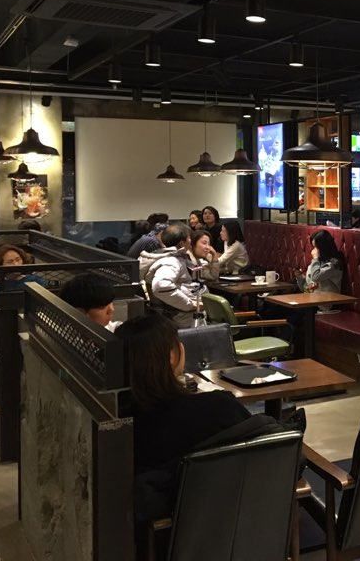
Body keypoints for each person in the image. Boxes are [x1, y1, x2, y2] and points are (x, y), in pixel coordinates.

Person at [115, 312, 279, 524]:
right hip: (238, 520)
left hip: (166, 533)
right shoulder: (217, 407)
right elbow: (271, 456)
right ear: (172, 356)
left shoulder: (118, 425)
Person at [139, 224, 203, 327]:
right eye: (189, 238)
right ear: (182, 243)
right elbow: (161, 286)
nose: (191, 241)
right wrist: (189, 304)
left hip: (180, 315)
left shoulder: (169, 256)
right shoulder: (171, 261)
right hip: (182, 317)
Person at [0, 245, 46, 309]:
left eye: (18, 259)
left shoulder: (36, 281)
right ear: (0, 265)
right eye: (10, 262)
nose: (16, 264)